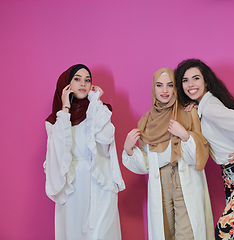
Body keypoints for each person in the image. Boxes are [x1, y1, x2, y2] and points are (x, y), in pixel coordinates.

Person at [174, 59, 234, 240]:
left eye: (196, 78)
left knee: (224, 231)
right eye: (185, 80)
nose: (190, 84)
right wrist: (196, 110)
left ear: (205, 81)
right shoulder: (205, 107)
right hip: (231, 174)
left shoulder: (210, 108)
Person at [122, 68, 214, 240]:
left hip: (184, 178)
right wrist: (129, 150)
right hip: (160, 183)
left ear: (176, 88)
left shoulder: (188, 112)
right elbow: (147, 164)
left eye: (170, 85)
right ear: (153, 88)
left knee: (188, 235)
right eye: (159, 85)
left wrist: (185, 136)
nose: (164, 91)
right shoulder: (147, 121)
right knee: (164, 234)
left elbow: (200, 155)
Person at [44, 64, 125, 240]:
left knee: (103, 234)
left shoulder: (100, 110)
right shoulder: (55, 121)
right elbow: (59, 152)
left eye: (87, 80)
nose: (83, 83)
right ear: (67, 85)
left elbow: (105, 139)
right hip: (73, 186)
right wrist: (65, 109)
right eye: (77, 79)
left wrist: (95, 104)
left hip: (101, 184)